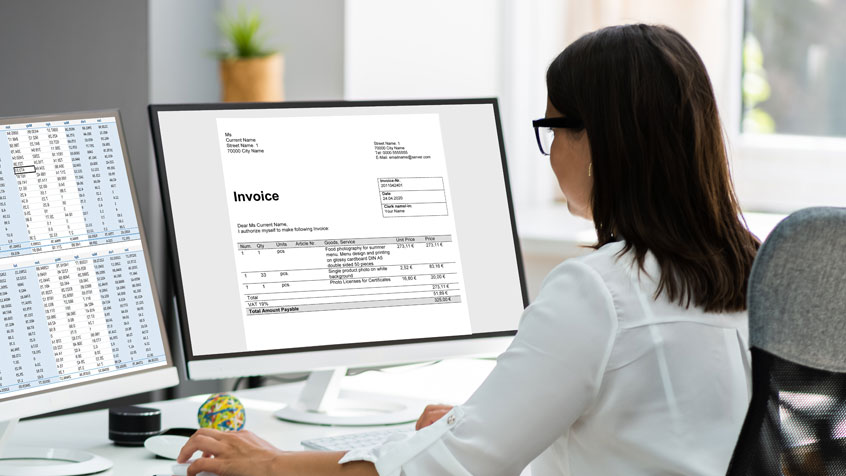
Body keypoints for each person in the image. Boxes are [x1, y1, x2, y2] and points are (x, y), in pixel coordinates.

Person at [177, 24, 760, 476]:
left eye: (555, 127)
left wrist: (272, 463)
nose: (551, 147)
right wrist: (472, 425)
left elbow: (449, 468)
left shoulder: (600, 289)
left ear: (601, 144)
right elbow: (651, 436)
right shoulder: (756, 271)